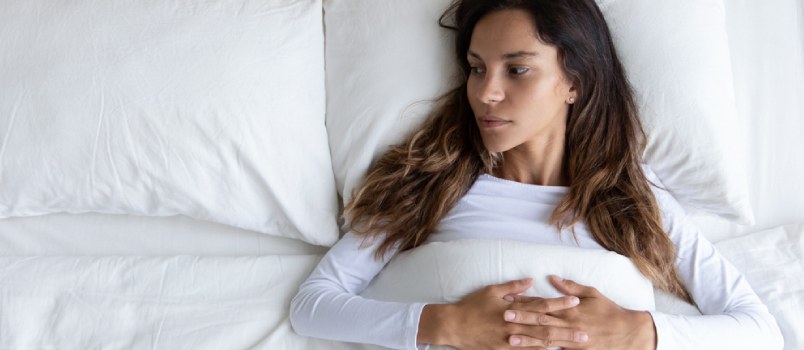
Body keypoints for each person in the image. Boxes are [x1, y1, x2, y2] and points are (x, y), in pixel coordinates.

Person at [290, 0, 784, 349]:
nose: (486, 93)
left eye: (517, 70)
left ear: (574, 81)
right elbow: (313, 304)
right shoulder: (431, 184)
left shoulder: (632, 198)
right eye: (477, 68)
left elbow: (759, 330)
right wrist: (446, 325)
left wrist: (640, 334)